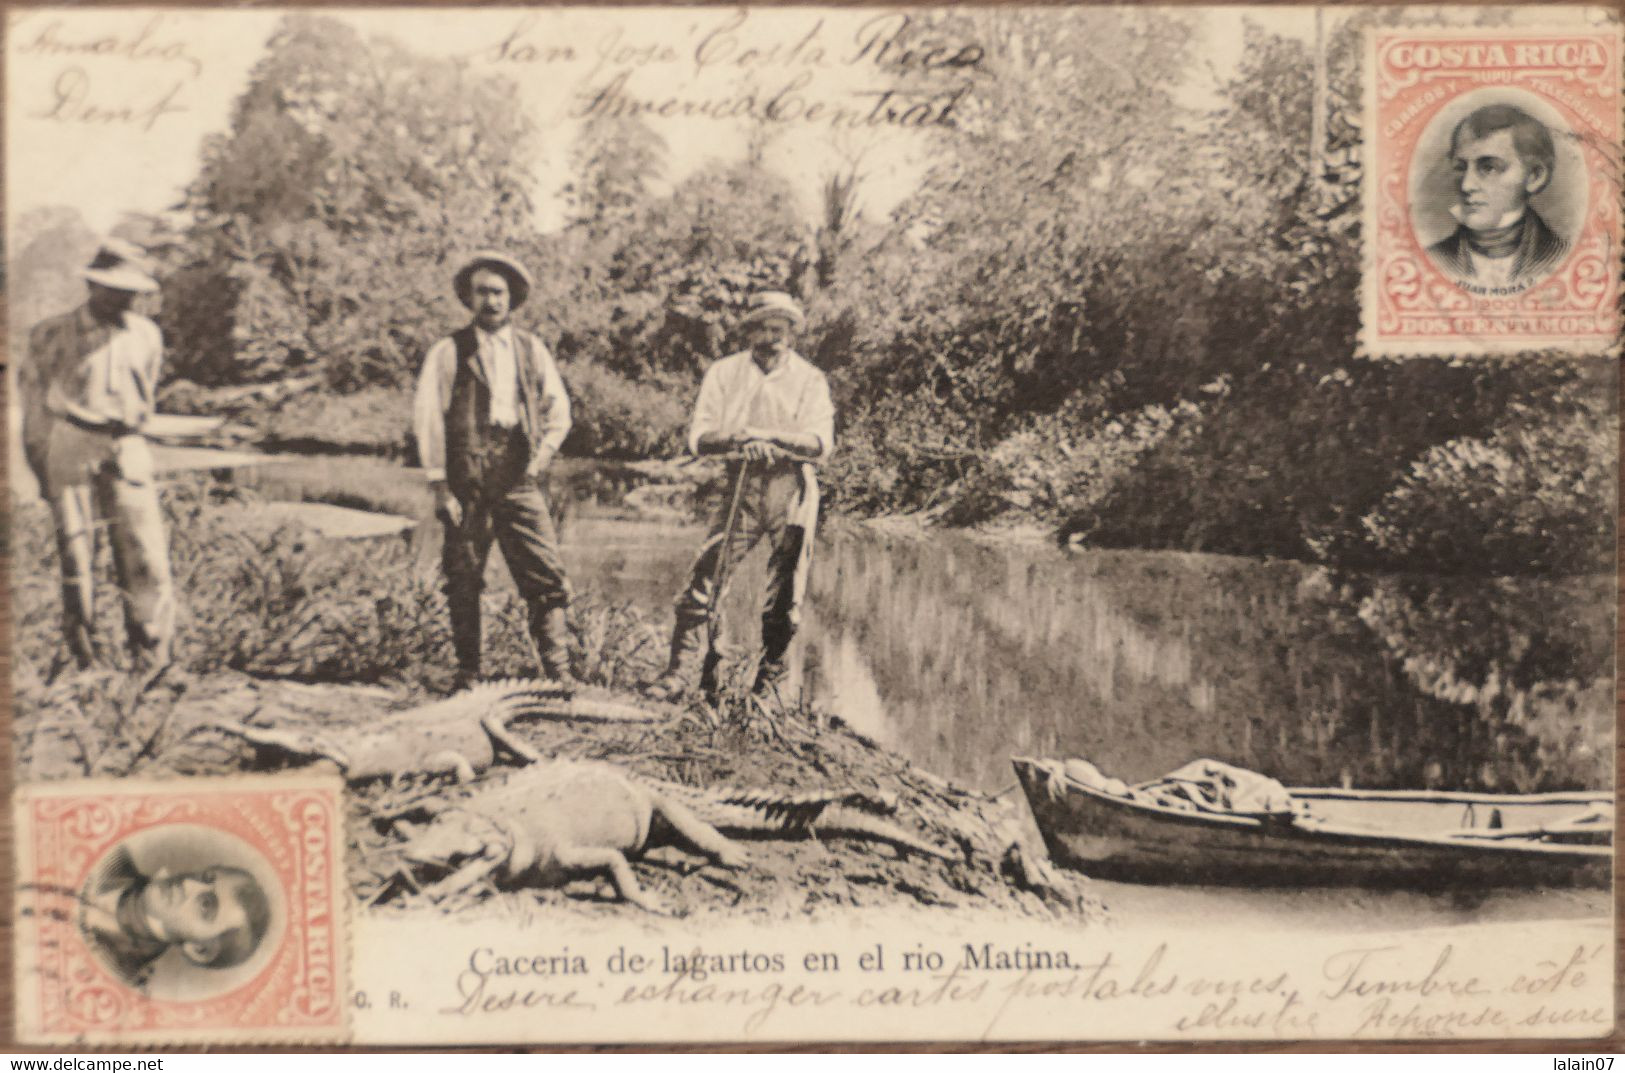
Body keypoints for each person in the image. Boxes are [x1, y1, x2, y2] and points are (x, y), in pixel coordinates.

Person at [645, 291, 835, 702]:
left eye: (779, 330)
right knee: (706, 575)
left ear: (792, 335)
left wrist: (765, 437)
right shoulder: (724, 373)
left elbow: (819, 443)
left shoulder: (810, 379)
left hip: (792, 485)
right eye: (762, 329)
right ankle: (683, 673)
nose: (770, 338)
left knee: (786, 592)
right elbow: (699, 437)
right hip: (740, 482)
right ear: (748, 332)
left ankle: (766, 684)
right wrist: (737, 439)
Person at [413, 251, 576, 691]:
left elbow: (559, 408)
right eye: (482, 292)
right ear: (469, 297)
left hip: (517, 471)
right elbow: (428, 416)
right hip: (466, 474)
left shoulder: (531, 349)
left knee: (545, 569)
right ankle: (468, 671)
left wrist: (541, 458)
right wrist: (439, 484)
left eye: (498, 292)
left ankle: (558, 672)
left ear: (512, 299)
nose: (491, 301)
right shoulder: (449, 352)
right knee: (464, 573)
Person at [18, 239, 175, 677]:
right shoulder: (52, 334)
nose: (124, 298)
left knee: (146, 555)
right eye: (114, 288)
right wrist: (40, 470)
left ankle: (153, 660)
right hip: (71, 442)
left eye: (131, 290)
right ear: (92, 284)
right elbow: (33, 408)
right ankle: (84, 660)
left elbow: (147, 391)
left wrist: (133, 433)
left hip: (128, 445)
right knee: (77, 553)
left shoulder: (146, 334)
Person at [79, 845, 272, 987]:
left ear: (198, 949)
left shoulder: (114, 981)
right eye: (205, 878)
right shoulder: (110, 852)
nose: (188, 883)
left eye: (206, 904)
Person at [1426, 103, 1569, 289]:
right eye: (1460, 168)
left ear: (1534, 177)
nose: (1466, 185)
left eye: (1489, 167)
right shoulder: (1434, 258)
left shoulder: (1561, 256)